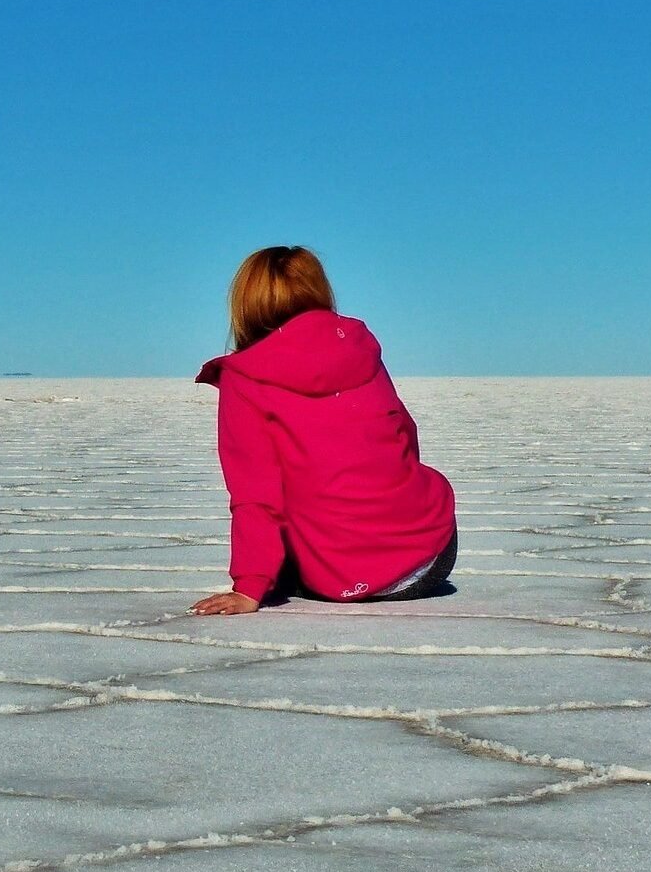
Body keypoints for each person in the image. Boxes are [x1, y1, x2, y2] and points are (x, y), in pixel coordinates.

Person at [190, 245, 456, 615]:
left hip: (344, 575)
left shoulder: (244, 376)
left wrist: (250, 587)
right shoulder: (358, 347)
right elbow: (403, 435)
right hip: (431, 556)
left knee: (294, 537)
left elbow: (255, 492)